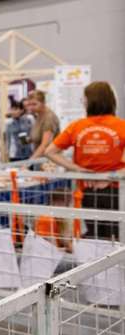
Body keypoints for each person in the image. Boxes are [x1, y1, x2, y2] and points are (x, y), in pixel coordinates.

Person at [45, 81, 125, 238]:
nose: (83, 103)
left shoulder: (77, 126)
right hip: (115, 188)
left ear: (90, 101)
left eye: (84, 99)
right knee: (115, 233)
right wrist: (114, 175)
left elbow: (50, 151)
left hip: (87, 187)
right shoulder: (121, 125)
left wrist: (76, 168)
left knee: (95, 233)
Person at [28, 90, 60, 159]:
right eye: (29, 104)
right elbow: (39, 136)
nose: (31, 107)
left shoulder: (49, 118)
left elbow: (45, 144)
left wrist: (29, 162)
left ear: (43, 103)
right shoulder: (39, 115)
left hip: (49, 161)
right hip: (40, 158)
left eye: (34, 104)